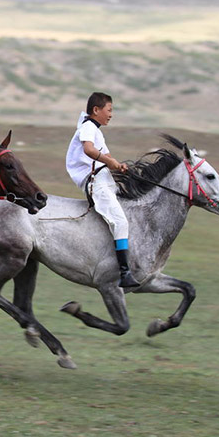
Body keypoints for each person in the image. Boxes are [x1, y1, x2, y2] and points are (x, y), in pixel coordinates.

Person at [65, 91, 140, 289]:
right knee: (120, 221)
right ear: (96, 110)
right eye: (109, 110)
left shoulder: (97, 130)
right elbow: (89, 150)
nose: (111, 114)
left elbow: (106, 156)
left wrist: (119, 166)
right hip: (95, 182)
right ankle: (125, 273)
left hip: (104, 178)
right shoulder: (88, 127)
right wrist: (110, 161)